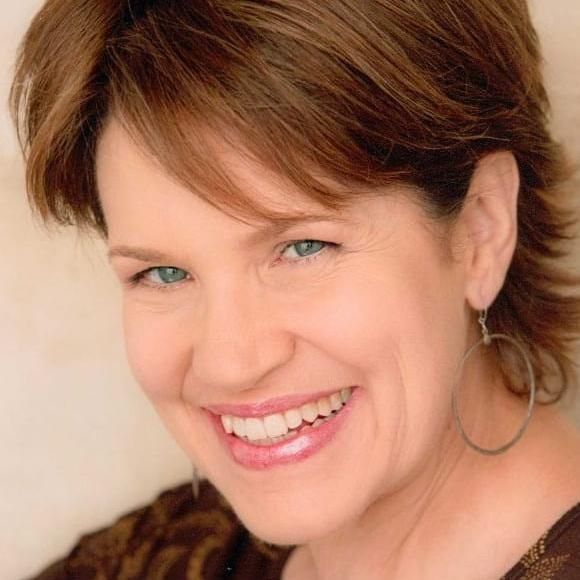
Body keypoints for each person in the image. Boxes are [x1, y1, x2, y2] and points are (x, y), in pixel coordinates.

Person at [10, 0, 580, 578]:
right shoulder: (146, 559)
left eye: (304, 247)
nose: (230, 364)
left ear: (481, 228)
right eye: (163, 273)